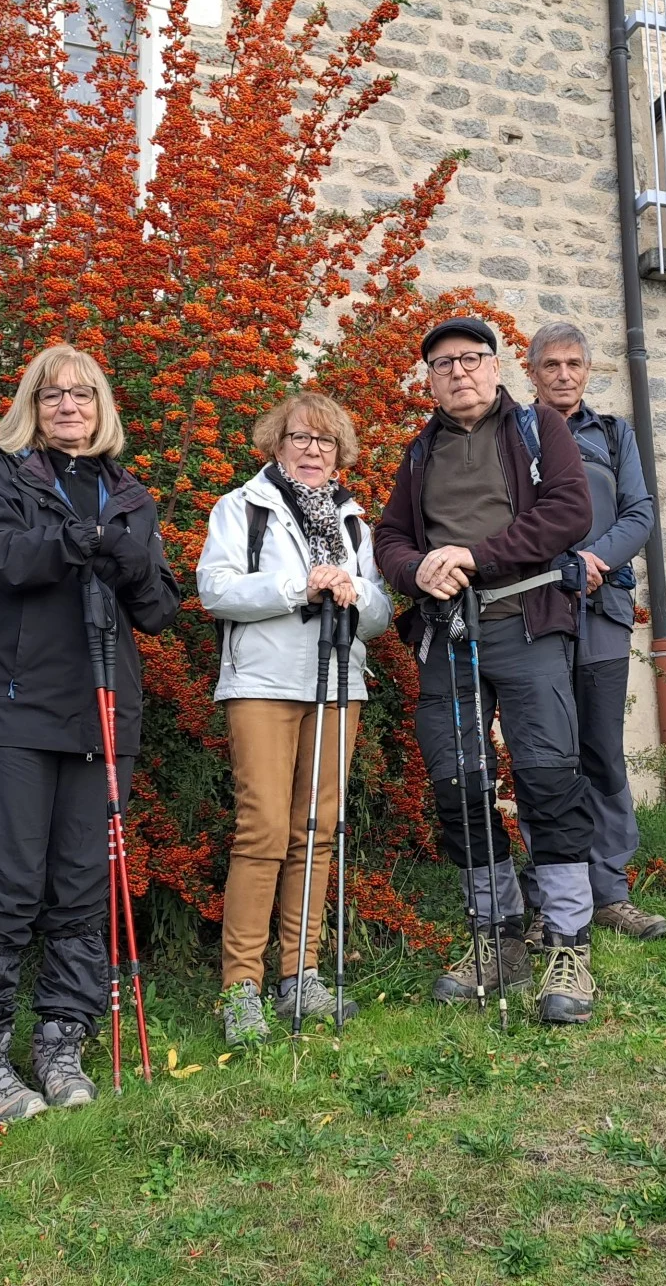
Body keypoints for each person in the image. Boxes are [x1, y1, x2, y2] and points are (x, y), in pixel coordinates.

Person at [0, 344, 180, 1122]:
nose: (68, 407)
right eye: (51, 396)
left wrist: (128, 559)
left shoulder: (128, 493)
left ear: (102, 407)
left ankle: (62, 1034)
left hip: (104, 711)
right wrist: (73, 542)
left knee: (82, 887)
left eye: (82, 395)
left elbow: (157, 610)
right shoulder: (3, 477)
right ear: (32, 406)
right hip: (18, 713)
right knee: (11, 886)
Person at [373, 315, 599, 1026]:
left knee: (548, 779)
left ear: (495, 367)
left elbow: (570, 512)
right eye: (443, 365)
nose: (458, 373)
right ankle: (496, 937)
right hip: (449, 636)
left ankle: (568, 942)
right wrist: (417, 568)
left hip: (525, 625)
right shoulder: (419, 452)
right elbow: (390, 537)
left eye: (471, 359)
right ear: (430, 381)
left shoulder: (537, 431)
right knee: (460, 788)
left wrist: (476, 555)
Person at [197, 391, 393, 1046]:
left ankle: (300, 975)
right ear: (275, 445)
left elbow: (380, 614)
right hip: (262, 682)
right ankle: (241, 986)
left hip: (338, 683)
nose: (313, 451)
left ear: (340, 456)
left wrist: (353, 589)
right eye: (301, 439)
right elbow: (214, 589)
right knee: (264, 829)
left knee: (319, 831)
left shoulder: (355, 523)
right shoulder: (240, 508)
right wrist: (299, 585)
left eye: (326, 442)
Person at [520, 324, 666, 945]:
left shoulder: (613, 433)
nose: (562, 374)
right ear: (530, 372)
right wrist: (552, 566)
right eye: (550, 364)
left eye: (573, 363)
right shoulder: (513, 433)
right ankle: (550, 892)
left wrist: (596, 560)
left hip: (602, 609)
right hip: (532, 614)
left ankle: (608, 890)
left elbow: (640, 512)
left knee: (601, 752)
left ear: (588, 370)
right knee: (545, 756)